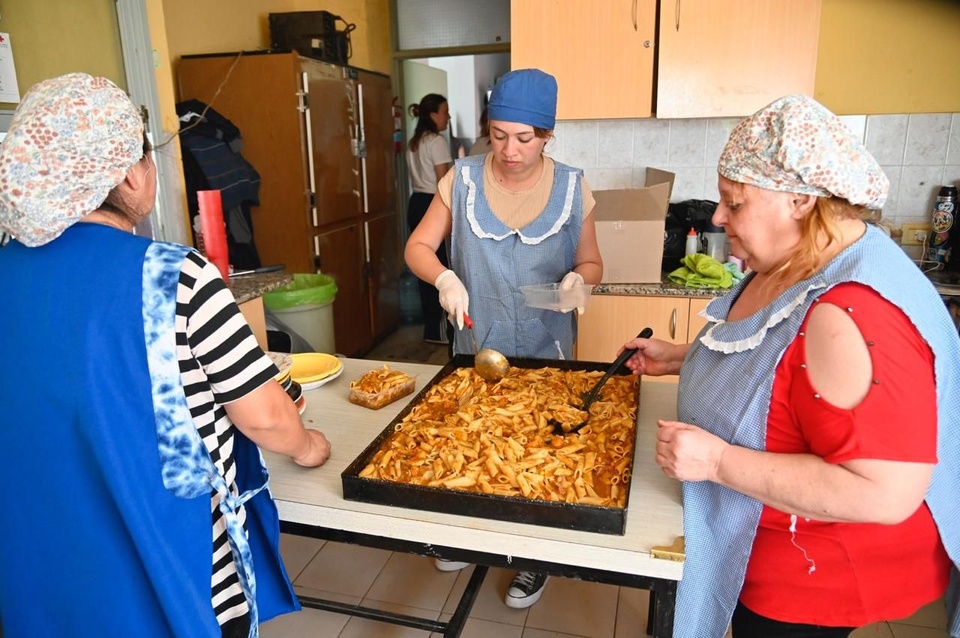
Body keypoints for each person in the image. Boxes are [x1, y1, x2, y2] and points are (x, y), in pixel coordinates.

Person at [0, 73, 331, 637]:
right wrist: (310, 447)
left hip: (37, 579)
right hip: (166, 573)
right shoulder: (173, 275)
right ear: (131, 172)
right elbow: (268, 419)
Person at [622, 94, 960, 638]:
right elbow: (776, 358)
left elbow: (885, 492)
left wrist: (717, 463)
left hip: (811, 576)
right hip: (751, 534)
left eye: (735, 202)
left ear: (800, 200)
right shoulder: (805, 254)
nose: (717, 217)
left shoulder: (854, 315)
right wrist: (685, 356)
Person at [405, 68, 603, 609]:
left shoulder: (571, 185)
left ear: (546, 135)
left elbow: (591, 260)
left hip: (548, 351)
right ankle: (466, 538)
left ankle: (533, 562)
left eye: (524, 138)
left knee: (539, 456)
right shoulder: (461, 180)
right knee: (471, 442)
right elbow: (418, 248)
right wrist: (443, 276)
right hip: (480, 348)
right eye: (498, 135)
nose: (509, 150)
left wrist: (580, 279)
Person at [406, 93, 453, 345]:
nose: (448, 117)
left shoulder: (415, 142)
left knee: (423, 266)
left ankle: (430, 331)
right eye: (445, 112)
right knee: (441, 265)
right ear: (433, 114)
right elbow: (444, 183)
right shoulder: (436, 141)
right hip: (433, 204)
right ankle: (445, 329)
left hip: (416, 203)